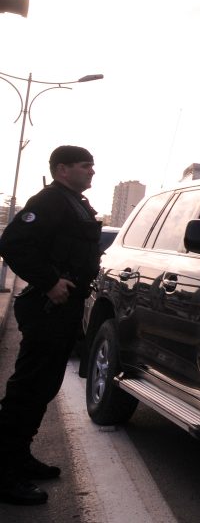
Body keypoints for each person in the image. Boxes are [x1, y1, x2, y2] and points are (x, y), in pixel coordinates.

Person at [0, 146, 102, 505]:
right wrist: (49, 282)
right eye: (85, 165)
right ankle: (4, 473)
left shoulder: (74, 202)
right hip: (49, 306)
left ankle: (19, 456)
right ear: (62, 169)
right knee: (28, 389)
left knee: (42, 387)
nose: (92, 171)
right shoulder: (50, 201)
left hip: (63, 308)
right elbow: (12, 243)